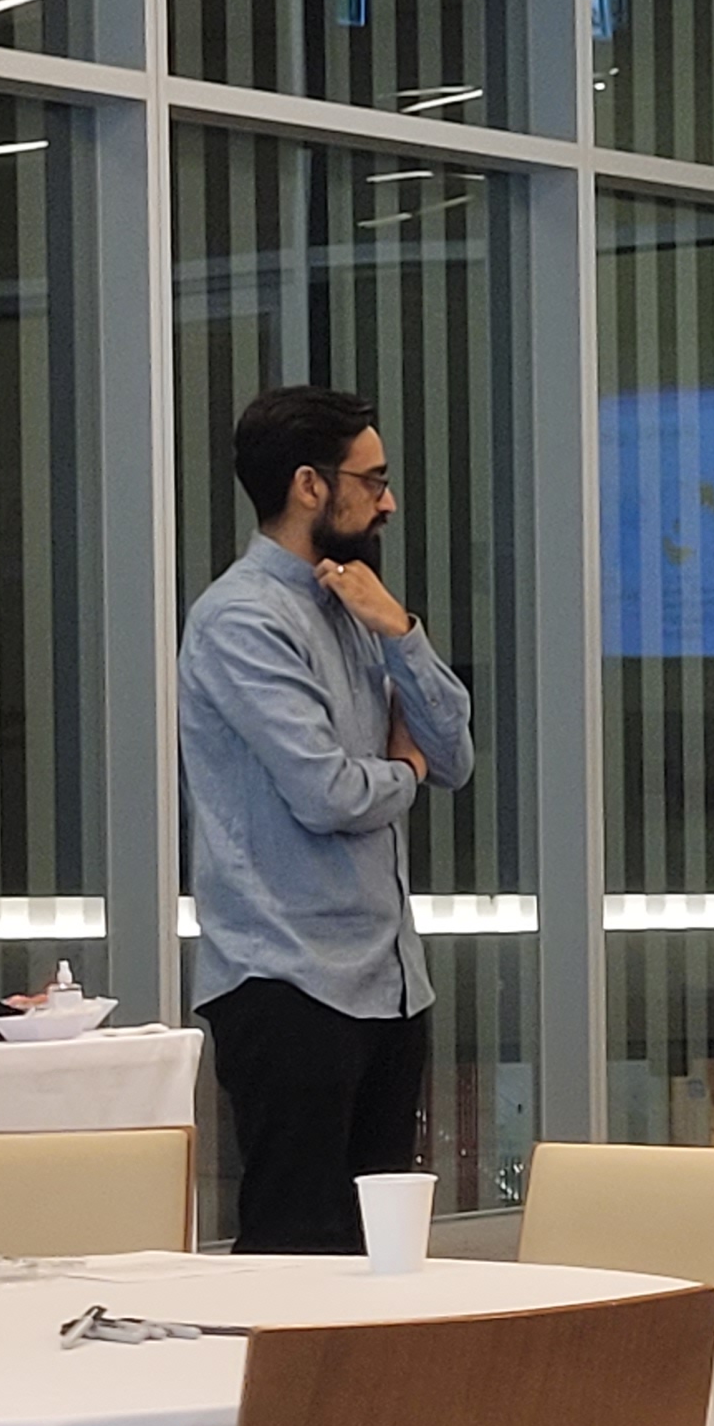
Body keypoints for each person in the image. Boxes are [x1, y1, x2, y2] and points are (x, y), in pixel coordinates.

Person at [178, 385, 474, 1255]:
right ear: (310, 485)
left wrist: (402, 631)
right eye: (371, 480)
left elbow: (456, 755)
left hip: (389, 981)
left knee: (382, 1257)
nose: (388, 502)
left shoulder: (356, 605)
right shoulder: (241, 619)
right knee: (297, 1252)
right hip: (289, 982)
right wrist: (404, 770)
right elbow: (331, 794)